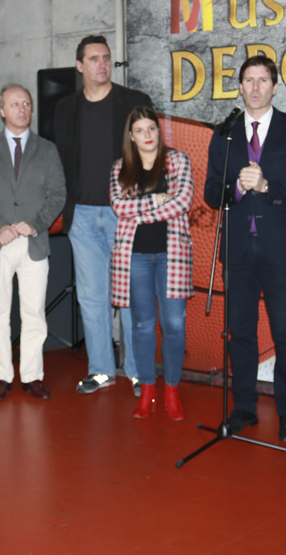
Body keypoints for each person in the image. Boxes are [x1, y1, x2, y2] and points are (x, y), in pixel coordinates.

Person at [203, 55, 286, 443]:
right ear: (240, 87)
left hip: (281, 250)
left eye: (263, 80)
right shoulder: (226, 133)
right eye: (248, 81)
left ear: (275, 86)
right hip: (238, 251)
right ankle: (244, 408)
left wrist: (268, 186)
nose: (255, 88)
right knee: (240, 334)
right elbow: (211, 193)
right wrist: (236, 189)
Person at [54, 35, 151, 396]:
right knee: (92, 297)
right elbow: (61, 162)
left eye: (106, 58)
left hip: (123, 216)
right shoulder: (65, 109)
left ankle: (138, 370)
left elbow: (152, 153)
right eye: (93, 59)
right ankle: (100, 371)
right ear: (79, 66)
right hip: (80, 215)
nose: (102, 65)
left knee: (131, 296)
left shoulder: (134, 103)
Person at [0, 84, 65, 401]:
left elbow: (58, 194)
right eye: (14, 104)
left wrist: (35, 224)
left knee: (34, 313)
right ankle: (1, 375)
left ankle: (33, 376)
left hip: (33, 243)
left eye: (26, 103)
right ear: (1, 110)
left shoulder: (47, 149)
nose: (21, 109)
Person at [109, 106, 194, 420]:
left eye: (152, 129)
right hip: (135, 257)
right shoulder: (120, 168)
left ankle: (171, 391)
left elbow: (183, 201)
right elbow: (119, 206)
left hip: (172, 255)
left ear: (160, 131)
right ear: (131, 136)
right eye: (140, 131)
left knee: (173, 324)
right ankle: (147, 391)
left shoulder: (177, 160)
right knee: (142, 325)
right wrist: (159, 199)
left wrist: (140, 208)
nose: (147, 136)